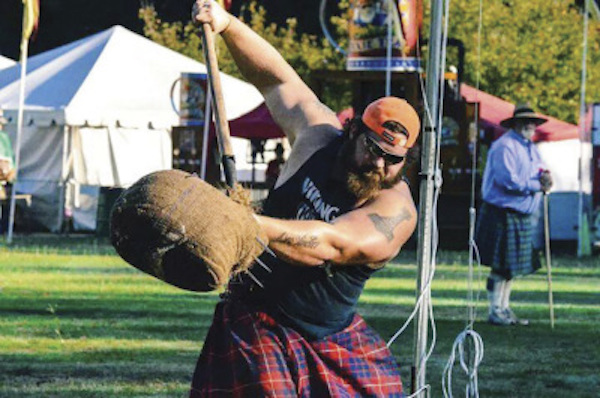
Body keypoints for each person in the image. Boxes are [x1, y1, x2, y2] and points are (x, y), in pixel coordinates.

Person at [189, 1, 421, 396]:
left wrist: (246, 222)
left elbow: (329, 244)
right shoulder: (318, 137)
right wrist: (227, 24)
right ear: (352, 132)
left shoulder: (395, 210)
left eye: (392, 159)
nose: (379, 163)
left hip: (329, 336)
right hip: (257, 317)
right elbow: (278, 81)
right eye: (373, 148)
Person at [475, 103, 553, 326]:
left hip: (520, 214)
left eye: (533, 122)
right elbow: (508, 181)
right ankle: (494, 309)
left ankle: (504, 308)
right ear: (516, 124)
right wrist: (537, 186)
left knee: (511, 268)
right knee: (501, 265)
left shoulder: (531, 147)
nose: (531, 125)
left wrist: (546, 177)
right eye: (526, 122)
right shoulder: (504, 146)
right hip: (502, 212)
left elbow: (540, 171)